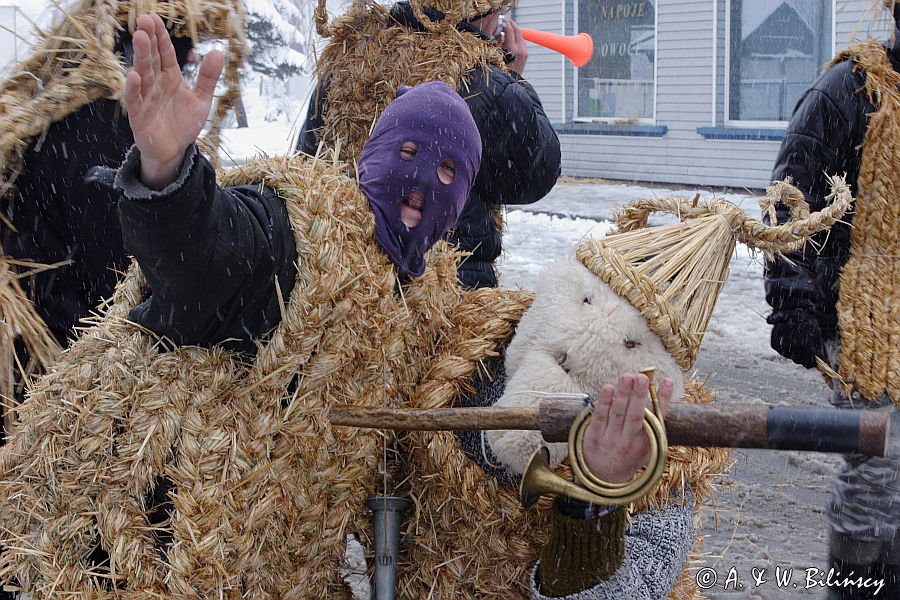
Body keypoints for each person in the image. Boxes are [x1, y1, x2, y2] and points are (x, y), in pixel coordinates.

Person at [0, 14, 697, 599]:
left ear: (465, 200)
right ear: (372, 156)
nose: (425, 182)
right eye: (412, 152)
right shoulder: (302, 226)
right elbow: (212, 255)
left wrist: (592, 483)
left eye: (449, 170)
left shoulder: (421, 297)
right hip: (120, 540)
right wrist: (167, 176)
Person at [0, 0, 243, 445]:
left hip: (42, 371)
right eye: (181, 38)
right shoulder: (107, 126)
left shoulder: (50, 111)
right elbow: (124, 285)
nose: (190, 57)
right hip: (72, 394)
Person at [764, 1, 900, 597]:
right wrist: (794, 302)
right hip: (871, 324)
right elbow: (789, 199)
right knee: (881, 477)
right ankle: (864, 585)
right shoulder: (849, 91)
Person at [297, 0, 561, 289]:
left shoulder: (350, 55)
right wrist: (513, 78)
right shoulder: (482, 80)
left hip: (344, 281)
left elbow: (307, 163)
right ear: (482, 9)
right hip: (442, 294)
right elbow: (536, 175)